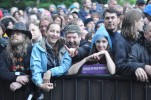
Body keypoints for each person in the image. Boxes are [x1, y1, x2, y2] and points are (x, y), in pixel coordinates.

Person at [0, 22, 38, 99]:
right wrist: (17, 77)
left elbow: (36, 72)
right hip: (9, 95)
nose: (14, 35)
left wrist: (22, 83)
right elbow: (2, 71)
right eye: (13, 34)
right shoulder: (5, 53)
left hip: (30, 93)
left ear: (25, 37)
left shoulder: (33, 51)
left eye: (18, 33)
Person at [30, 23, 72, 91]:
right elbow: (35, 67)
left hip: (62, 87)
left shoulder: (65, 46)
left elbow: (66, 65)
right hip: (41, 88)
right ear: (46, 32)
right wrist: (40, 84)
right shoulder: (37, 47)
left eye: (57, 32)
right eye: (52, 31)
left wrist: (51, 72)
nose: (55, 34)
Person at [114, 9, 144, 76]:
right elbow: (120, 66)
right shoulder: (120, 41)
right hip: (126, 84)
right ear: (135, 22)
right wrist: (136, 68)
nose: (143, 23)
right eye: (141, 21)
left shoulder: (140, 38)